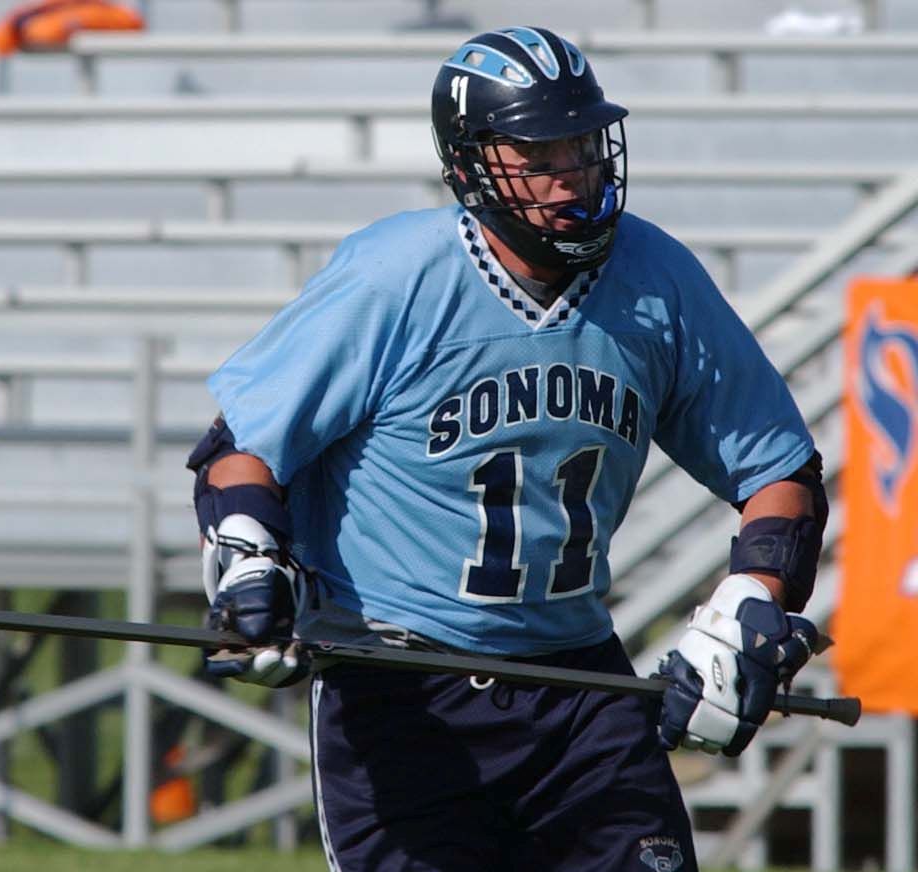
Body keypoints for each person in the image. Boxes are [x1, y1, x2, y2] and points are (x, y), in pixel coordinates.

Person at [186, 27, 827, 872]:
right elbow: (239, 448)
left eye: (583, 145)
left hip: (579, 688)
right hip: (404, 690)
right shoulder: (395, 276)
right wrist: (249, 565)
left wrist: (750, 601)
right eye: (538, 153)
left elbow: (781, 471)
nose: (570, 173)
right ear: (470, 164)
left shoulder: (656, 276)